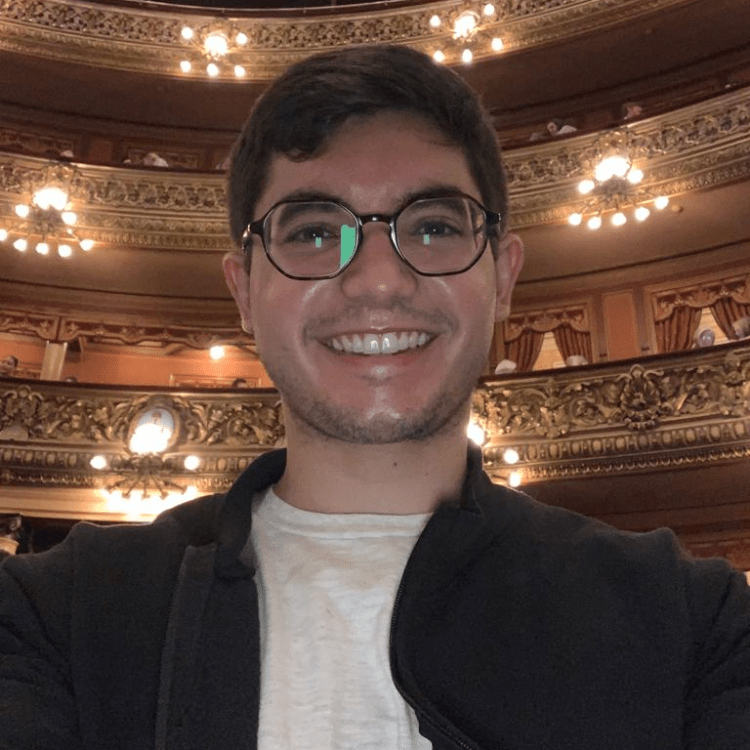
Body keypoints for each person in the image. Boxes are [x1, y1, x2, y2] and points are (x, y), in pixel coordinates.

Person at [0, 44, 748, 750]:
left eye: (434, 226)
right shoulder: (58, 616)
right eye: (314, 233)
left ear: (503, 277)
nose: (380, 280)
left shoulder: (693, 620)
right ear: (244, 290)